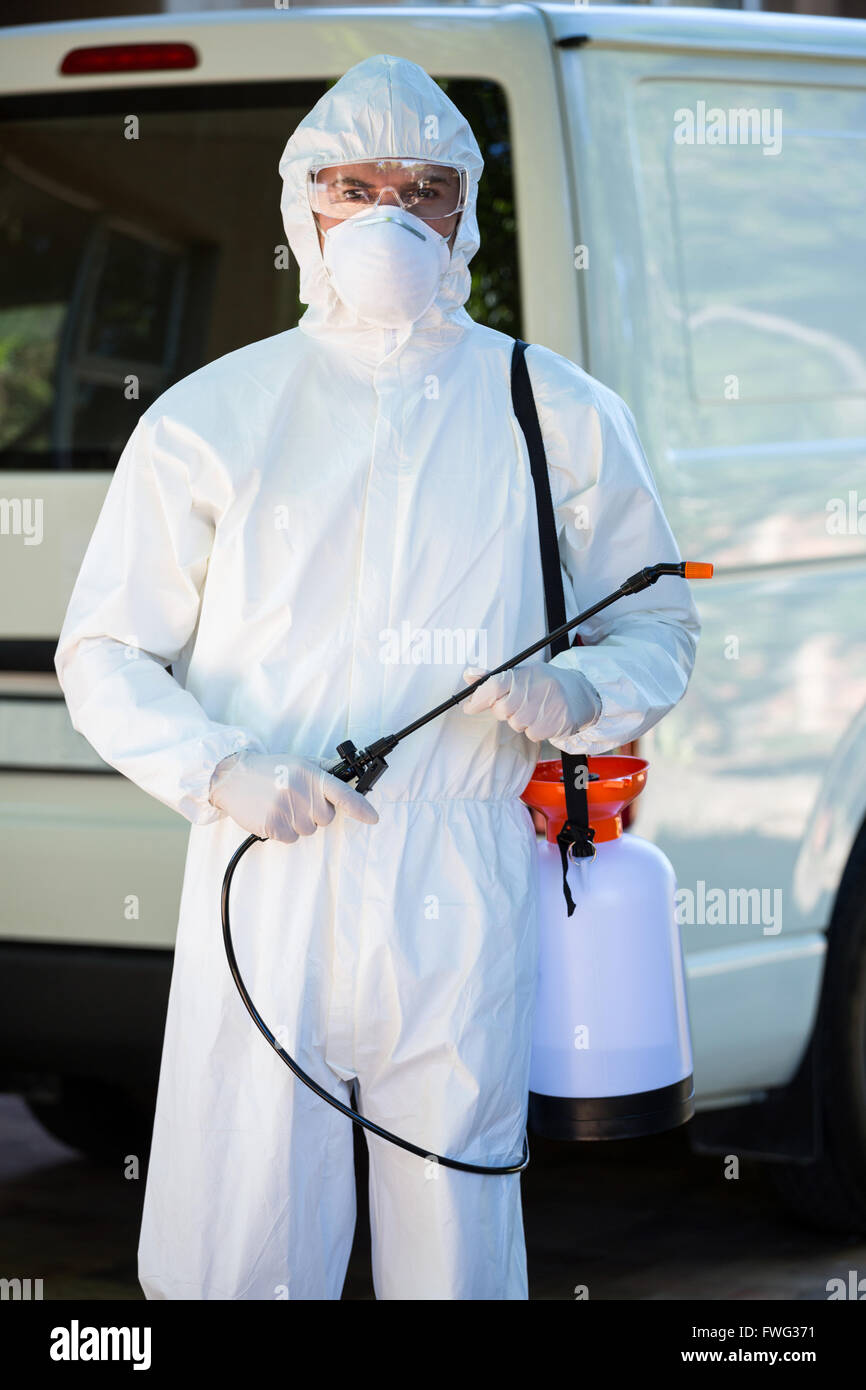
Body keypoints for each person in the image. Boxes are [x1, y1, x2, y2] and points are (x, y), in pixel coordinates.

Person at [54, 54, 700, 1302]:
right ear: (303, 207)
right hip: (267, 873)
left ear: (465, 215)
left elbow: (656, 618)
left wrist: (580, 696)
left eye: (426, 189)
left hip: (462, 872)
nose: (391, 215)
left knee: (456, 1235)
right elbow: (105, 650)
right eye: (355, 186)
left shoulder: (550, 408)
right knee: (238, 1238)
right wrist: (223, 769)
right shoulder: (212, 413)